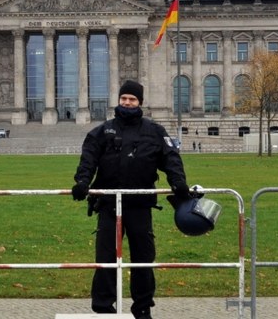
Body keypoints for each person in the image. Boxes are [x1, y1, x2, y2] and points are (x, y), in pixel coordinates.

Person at [71, 80, 189, 318]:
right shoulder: (103, 131)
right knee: (105, 258)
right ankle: (103, 307)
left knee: (143, 259)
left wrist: (178, 182)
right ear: (119, 100)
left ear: (140, 103)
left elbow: (171, 159)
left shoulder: (154, 132)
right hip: (108, 204)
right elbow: (89, 158)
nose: (127, 102)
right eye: (124, 98)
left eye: (132, 99)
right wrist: (82, 181)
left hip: (139, 204)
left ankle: (142, 307)